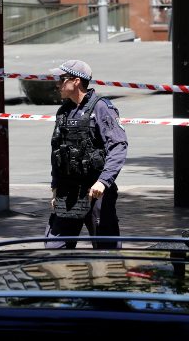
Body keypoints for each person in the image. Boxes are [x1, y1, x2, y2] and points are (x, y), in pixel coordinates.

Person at [45, 60, 128, 249]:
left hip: (95, 192)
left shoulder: (101, 108)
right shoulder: (64, 111)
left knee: (107, 251)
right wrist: (55, 186)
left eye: (61, 79)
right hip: (68, 192)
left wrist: (103, 181)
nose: (57, 84)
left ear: (76, 81)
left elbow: (118, 145)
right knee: (54, 248)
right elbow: (57, 151)